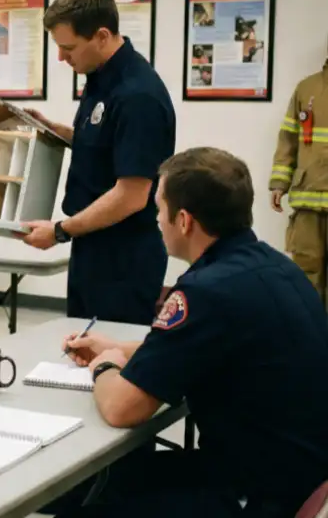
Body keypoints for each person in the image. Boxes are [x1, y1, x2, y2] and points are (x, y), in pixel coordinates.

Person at [54, 147, 328, 518]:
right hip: (294, 474)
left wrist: (105, 366)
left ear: (183, 220)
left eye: (158, 208)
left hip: (256, 495)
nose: (156, 220)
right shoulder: (273, 266)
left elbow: (121, 409)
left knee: (81, 510)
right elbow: (207, 348)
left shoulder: (206, 291)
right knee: (100, 482)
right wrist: (119, 348)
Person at [20, 0, 176, 325]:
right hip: (92, 248)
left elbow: (131, 195)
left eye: (68, 48)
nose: (61, 57)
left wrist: (59, 231)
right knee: (82, 346)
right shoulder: (100, 77)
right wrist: (56, 131)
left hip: (123, 259)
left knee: (109, 349)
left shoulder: (138, 96)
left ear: (102, 36)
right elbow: (107, 144)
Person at [270, 56, 328, 301]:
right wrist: (279, 183)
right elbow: (288, 139)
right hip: (308, 202)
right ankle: (309, 324)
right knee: (306, 273)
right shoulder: (307, 88)